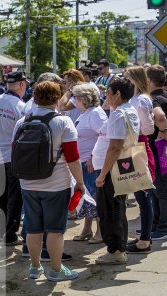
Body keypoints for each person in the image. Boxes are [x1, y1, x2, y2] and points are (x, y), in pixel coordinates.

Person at [18, 81, 84, 281]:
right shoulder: (63, 122)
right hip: (56, 184)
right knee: (55, 229)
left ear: (35, 97)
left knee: (33, 227)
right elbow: (73, 157)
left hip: (27, 183)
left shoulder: (22, 122)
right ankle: (56, 270)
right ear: (57, 98)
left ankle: (35, 267)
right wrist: (80, 183)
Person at [93, 78, 140, 265]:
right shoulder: (128, 110)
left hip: (113, 169)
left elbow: (115, 147)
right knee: (117, 209)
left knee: (110, 210)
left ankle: (116, 251)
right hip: (123, 167)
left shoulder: (119, 114)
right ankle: (117, 248)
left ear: (118, 94)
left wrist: (102, 174)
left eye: (109, 93)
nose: (106, 97)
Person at [0, 71, 28, 246]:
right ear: (22, 85)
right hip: (13, 158)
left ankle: (3, 232)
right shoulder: (21, 106)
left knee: (1, 195)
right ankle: (9, 234)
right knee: (14, 197)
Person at [124, 67, 157, 254]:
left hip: (139, 148)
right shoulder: (134, 99)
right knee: (139, 195)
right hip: (132, 147)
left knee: (143, 196)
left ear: (136, 79)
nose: (125, 81)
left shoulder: (142, 99)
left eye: (128, 78)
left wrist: (131, 128)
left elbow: (149, 129)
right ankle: (144, 237)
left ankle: (145, 240)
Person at [71, 83, 106, 244]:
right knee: (87, 198)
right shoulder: (86, 113)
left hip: (91, 163)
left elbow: (104, 135)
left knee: (96, 198)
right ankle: (87, 229)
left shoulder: (95, 114)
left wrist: (92, 156)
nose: (73, 100)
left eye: (76, 97)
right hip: (84, 162)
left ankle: (100, 232)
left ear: (84, 99)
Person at [146, 65, 167, 240]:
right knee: (156, 190)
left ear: (150, 80)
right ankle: (156, 224)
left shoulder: (155, 99)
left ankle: (164, 228)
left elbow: (160, 118)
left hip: (159, 149)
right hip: (165, 148)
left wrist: (164, 131)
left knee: (161, 190)